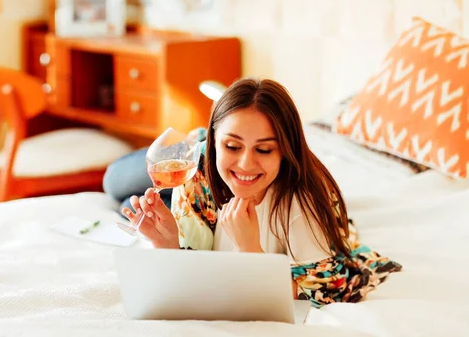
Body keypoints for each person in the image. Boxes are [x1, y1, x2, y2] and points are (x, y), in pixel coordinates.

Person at [121, 77, 402, 307]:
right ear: (216, 143)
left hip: (219, 166)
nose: (247, 163)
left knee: (123, 193)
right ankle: (203, 134)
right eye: (233, 146)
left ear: (284, 151)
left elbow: (325, 291)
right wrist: (168, 243)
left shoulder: (303, 204)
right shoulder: (195, 171)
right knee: (114, 182)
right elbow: (192, 269)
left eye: (264, 149)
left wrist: (250, 250)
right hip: (208, 163)